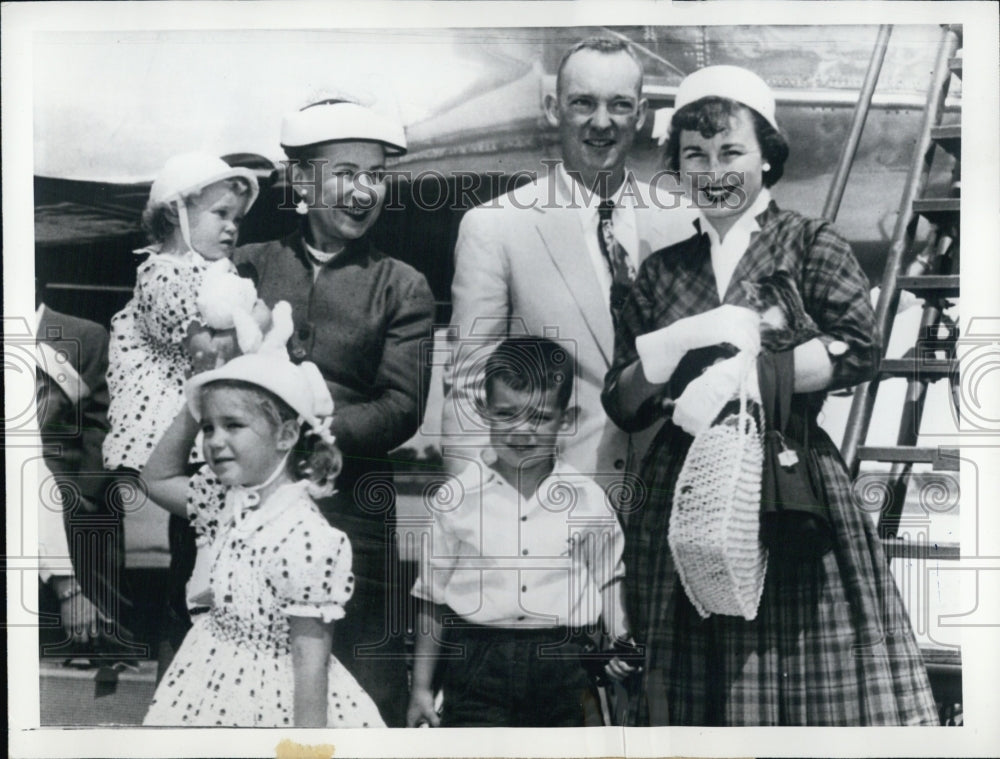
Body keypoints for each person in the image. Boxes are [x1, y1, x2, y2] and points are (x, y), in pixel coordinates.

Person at [601, 65, 939, 725]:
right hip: (687, 486)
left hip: (787, 478)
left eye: (732, 151)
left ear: (767, 155)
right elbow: (624, 400)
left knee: (789, 660)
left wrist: (751, 373)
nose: (714, 170)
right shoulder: (665, 271)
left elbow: (857, 349)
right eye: (694, 155)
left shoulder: (808, 244)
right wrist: (666, 349)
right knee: (693, 681)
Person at [235, 99, 436, 726]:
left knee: (360, 696)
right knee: (242, 689)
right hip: (246, 512)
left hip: (355, 516)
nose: (363, 191)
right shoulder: (248, 265)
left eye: (375, 175)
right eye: (346, 172)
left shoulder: (402, 284)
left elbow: (401, 406)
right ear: (300, 179)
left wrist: (312, 441)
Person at [442, 37, 695, 491]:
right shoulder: (496, 226)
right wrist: (468, 518)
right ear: (553, 109)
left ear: (639, 114)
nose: (602, 122)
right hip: (552, 510)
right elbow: (469, 388)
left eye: (619, 105)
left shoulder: (684, 222)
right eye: (583, 103)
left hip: (666, 501)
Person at [141, 352, 384, 727]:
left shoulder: (307, 537)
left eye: (233, 425)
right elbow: (155, 479)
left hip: (272, 701)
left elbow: (310, 663)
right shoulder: (225, 498)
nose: (214, 441)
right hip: (205, 679)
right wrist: (199, 400)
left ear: (286, 435)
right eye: (208, 428)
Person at [408, 337, 634, 728]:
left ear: (566, 420)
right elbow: (432, 598)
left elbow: (608, 576)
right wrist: (421, 689)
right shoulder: (457, 498)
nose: (522, 431)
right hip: (477, 662)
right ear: (485, 411)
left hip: (564, 664)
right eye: (507, 413)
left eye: (540, 417)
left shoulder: (587, 498)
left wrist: (619, 638)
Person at [103, 152, 259, 473]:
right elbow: (210, 351)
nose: (232, 227)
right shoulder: (165, 275)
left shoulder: (214, 271)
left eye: (238, 219)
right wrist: (258, 317)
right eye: (221, 214)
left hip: (201, 412)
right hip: (168, 421)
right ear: (176, 214)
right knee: (191, 503)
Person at [35, 297, 135, 653]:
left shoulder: (84, 335)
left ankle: (103, 651)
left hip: (66, 485)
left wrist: (84, 493)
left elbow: (104, 422)